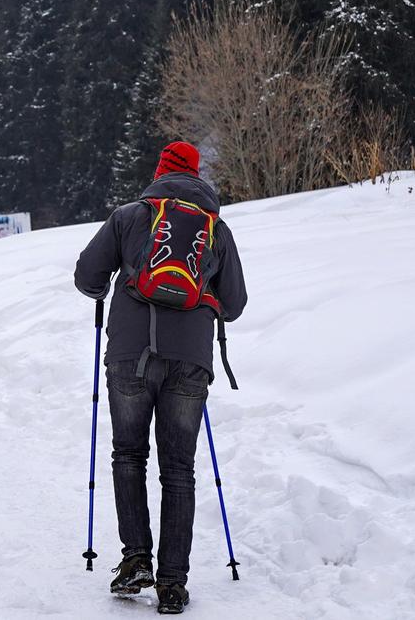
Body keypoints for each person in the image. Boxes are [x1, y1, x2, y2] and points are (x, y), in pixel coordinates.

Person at [74, 141, 247, 614]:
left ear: (159, 173)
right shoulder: (216, 229)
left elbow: (87, 276)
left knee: (129, 454)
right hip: (191, 360)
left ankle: (136, 561)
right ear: (198, 176)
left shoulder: (130, 215)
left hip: (131, 354)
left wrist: (108, 284)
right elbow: (234, 304)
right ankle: (173, 583)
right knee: (179, 469)